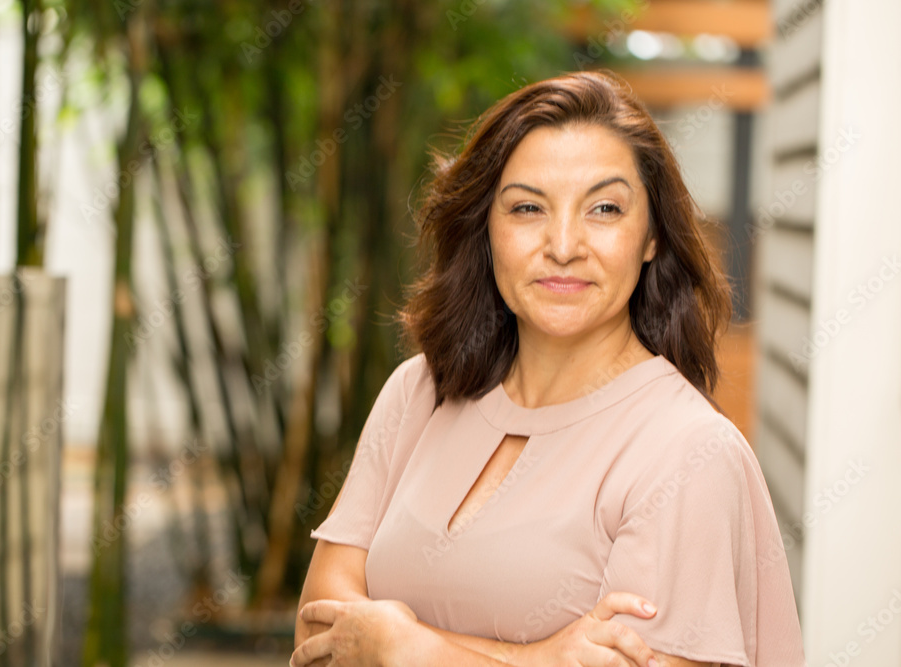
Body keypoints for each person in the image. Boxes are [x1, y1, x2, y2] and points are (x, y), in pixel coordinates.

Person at [291, 70, 806, 667]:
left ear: (652, 236)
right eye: (528, 207)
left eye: (605, 208)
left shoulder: (688, 454)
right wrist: (540, 658)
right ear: (487, 227)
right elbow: (316, 637)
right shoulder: (419, 392)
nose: (563, 244)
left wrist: (413, 649)